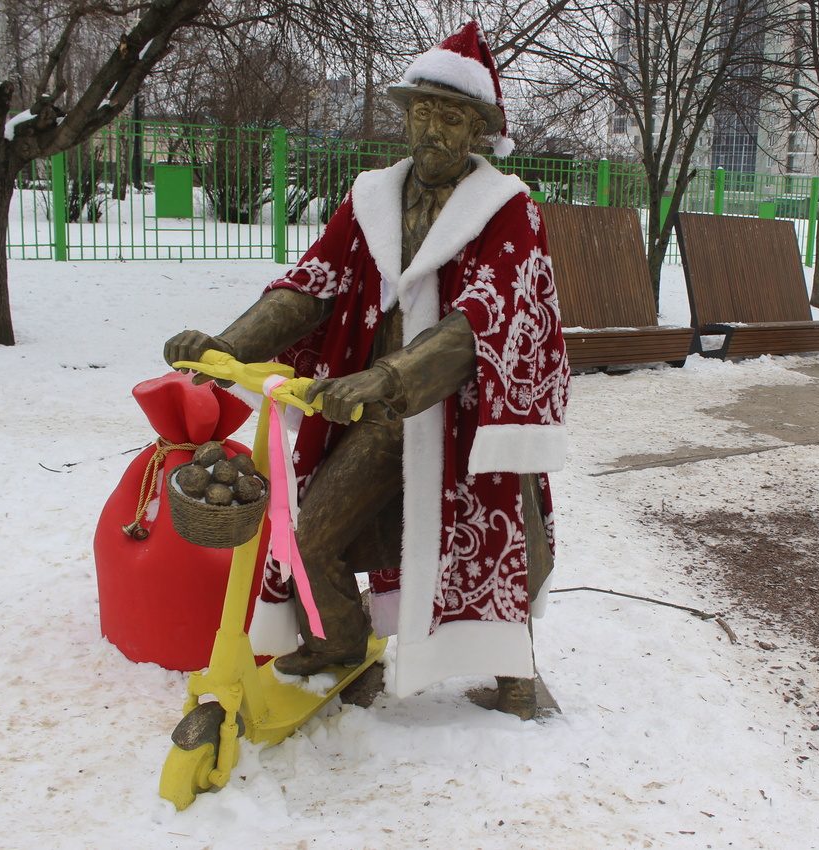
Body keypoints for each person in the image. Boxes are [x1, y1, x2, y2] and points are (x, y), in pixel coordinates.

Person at [164, 22, 569, 718]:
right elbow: (312, 283)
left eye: (449, 117)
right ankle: (341, 641)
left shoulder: (508, 210)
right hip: (375, 410)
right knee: (313, 532)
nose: (431, 130)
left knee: (494, 538)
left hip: (457, 411)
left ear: (477, 129)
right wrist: (226, 344)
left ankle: (512, 672)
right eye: (420, 112)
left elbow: (485, 318)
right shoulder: (372, 197)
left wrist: (385, 379)